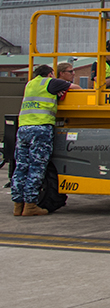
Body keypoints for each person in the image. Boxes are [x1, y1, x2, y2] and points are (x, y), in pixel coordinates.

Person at [12, 63, 78, 217]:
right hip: (40, 129)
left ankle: (17, 205)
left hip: (23, 128)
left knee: (21, 167)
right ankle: (30, 205)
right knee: (36, 167)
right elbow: (76, 88)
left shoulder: (30, 84)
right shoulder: (50, 82)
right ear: (50, 74)